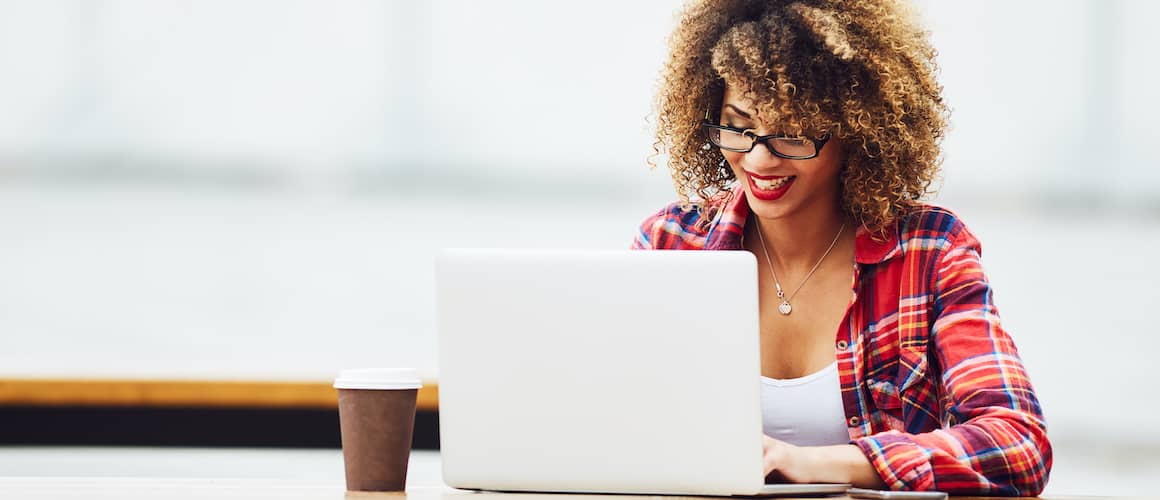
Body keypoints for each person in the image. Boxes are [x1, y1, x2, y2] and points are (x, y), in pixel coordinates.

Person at [631, 0, 1052, 495]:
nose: (759, 158)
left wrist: (822, 464)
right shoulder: (670, 243)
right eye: (738, 126)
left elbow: (1017, 444)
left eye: (792, 131)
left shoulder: (928, 251)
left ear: (856, 128)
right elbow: (621, 423)